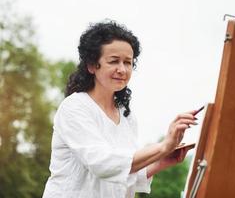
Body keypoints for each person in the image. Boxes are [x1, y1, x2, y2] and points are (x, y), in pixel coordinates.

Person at [42, 20, 198, 198]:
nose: (122, 69)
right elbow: (103, 164)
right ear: (92, 65)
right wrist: (163, 147)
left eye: (128, 62)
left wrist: (161, 160)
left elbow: (122, 174)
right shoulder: (74, 107)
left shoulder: (126, 116)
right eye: (114, 61)